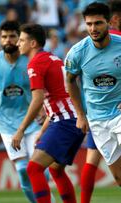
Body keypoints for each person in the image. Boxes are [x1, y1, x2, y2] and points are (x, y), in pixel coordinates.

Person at [12, 23, 85, 203]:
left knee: (33, 169)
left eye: (21, 40)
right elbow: (57, 99)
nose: (18, 44)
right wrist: (44, 130)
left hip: (64, 122)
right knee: (55, 169)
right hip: (73, 120)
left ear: (33, 43)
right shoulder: (54, 58)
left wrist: (21, 130)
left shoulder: (35, 63)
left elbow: (37, 100)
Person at [0, 20, 48, 203]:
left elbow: (43, 88)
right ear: (0, 39)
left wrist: (42, 108)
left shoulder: (30, 61)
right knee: (23, 170)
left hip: (32, 123)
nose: (7, 40)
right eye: (4, 36)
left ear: (19, 39)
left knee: (39, 166)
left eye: (12, 36)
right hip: (7, 125)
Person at [65, 1, 121, 195]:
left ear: (108, 23)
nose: (93, 28)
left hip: (120, 114)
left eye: (98, 23)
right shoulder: (77, 53)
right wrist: (81, 115)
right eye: (89, 24)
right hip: (97, 120)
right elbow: (70, 80)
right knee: (118, 177)